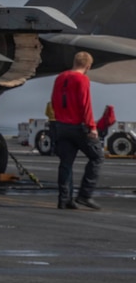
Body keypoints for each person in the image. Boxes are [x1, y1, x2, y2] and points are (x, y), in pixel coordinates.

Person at [50, 52, 104, 210]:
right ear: (88, 66)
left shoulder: (60, 77)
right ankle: (85, 196)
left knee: (66, 163)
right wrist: (92, 127)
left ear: (74, 62)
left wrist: (60, 119)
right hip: (78, 127)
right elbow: (85, 105)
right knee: (97, 158)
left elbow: (54, 100)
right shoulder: (83, 79)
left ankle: (64, 200)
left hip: (61, 126)